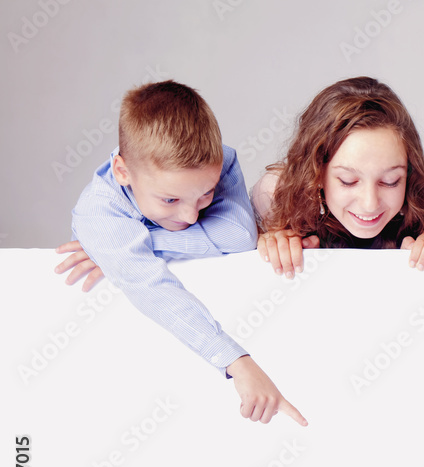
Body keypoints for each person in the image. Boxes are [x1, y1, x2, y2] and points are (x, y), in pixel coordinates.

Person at [54, 80, 306, 426]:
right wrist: (238, 362)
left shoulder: (221, 162)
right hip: (123, 365)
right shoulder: (97, 213)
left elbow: (239, 237)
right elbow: (153, 289)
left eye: (206, 195)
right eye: (170, 200)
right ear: (122, 172)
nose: (190, 216)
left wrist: (124, 250)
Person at [252, 76, 424, 273]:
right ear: (316, 173)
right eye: (348, 181)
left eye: (390, 181)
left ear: (410, 173)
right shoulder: (274, 196)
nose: (369, 204)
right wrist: (265, 242)